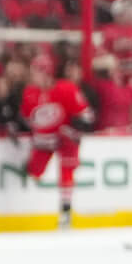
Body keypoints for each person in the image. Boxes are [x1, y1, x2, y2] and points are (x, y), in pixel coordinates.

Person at [15, 45, 93, 229]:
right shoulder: (30, 92)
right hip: (43, 140)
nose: (32, 75)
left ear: (47, 73)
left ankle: (65, 212)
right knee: (35, 172)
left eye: (36, 71)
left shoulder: (66, 89)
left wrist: (75, 127)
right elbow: (27, 118)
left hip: (65, 138)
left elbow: (87, 115)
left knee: (67, 172)